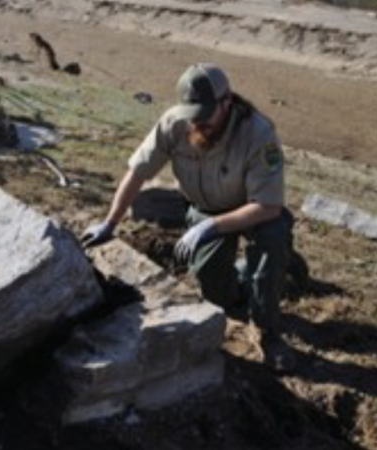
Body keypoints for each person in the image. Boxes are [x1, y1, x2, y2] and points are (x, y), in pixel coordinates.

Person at [81, 62, 294, 371]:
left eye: (206, 116)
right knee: (216, 294)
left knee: (273, 239)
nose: (198, 125)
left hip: (253, 213)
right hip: (205, 210)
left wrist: (213, 226)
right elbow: (137, 172)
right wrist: (110, 222)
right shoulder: (174, 123)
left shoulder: (258, 133)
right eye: (193, 115)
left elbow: (268, 206)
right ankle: (245, 276)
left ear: (227, 101)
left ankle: (267, 330)